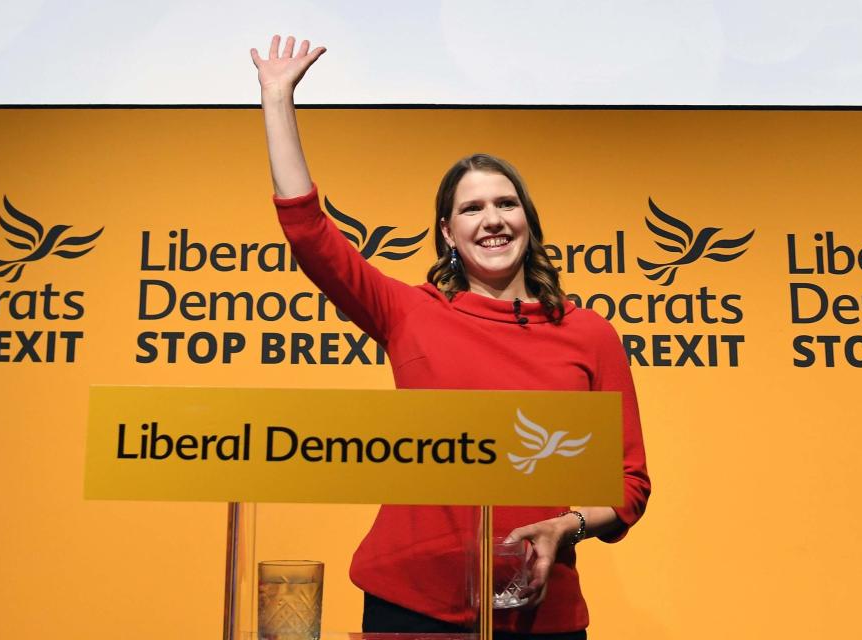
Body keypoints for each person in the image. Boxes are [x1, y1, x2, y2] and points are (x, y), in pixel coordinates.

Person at [251, 35, 651, 639]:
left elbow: (629, 485)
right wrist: (276, 98)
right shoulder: (409, 312)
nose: (491, 219)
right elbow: (311, 236)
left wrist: (564, 526)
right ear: (447, 233)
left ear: (527, 223)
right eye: (471, 209)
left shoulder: (588, 334)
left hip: (539, 613)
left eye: (505, 204)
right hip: (411, 601)